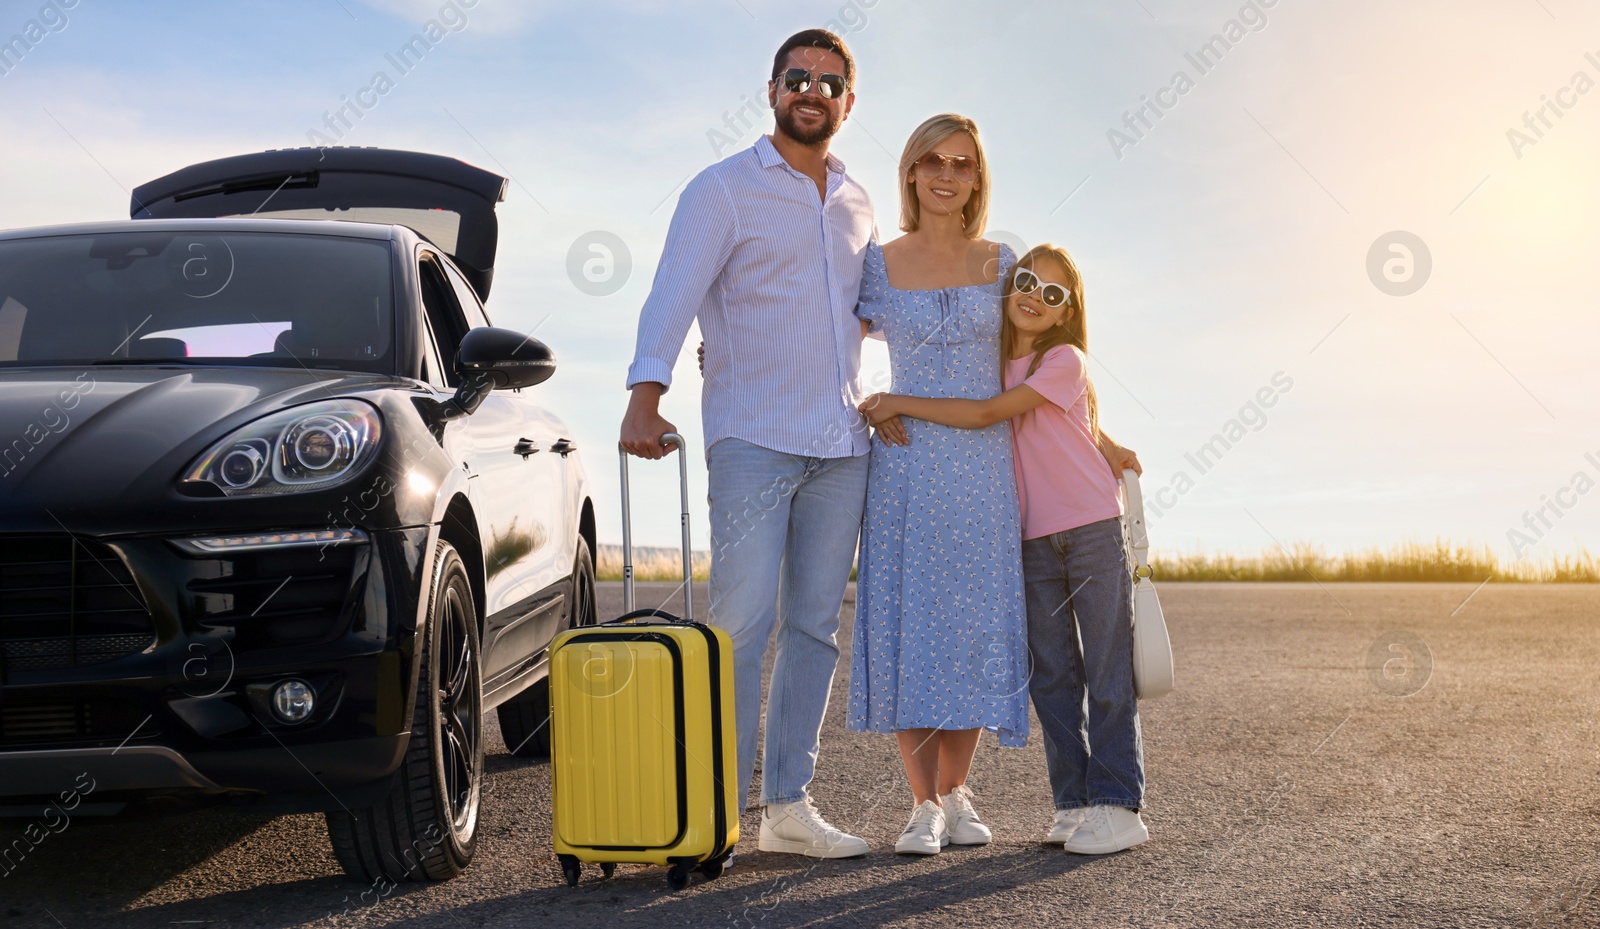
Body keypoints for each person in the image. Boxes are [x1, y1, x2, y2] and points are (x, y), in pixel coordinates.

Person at [620, 28, 882, 860]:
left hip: (842, 443)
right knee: (740, 622)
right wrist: (645, 397)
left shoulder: (858, 200)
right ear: (772, 91)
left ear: (849, 101)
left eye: (830, 82)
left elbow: (870, 310)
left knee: (814, 626)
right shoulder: (723, 189)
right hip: (753, 438)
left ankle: (787, 806)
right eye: (797, 78)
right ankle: (716, 811)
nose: (813, 91)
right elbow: (674, 293)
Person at [860, 243, 1150, 854]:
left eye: (1052, 294)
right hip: (1031, 537)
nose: (1033, 298)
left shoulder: (1065, 358)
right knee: (1052, 677)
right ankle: (1073, 805)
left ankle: (1119, 805)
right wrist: (1111, 441)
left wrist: (898, 400)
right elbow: (1079, 423)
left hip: (1091, 528)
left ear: (1068, 311)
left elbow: (991, 413)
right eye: (1025, 282)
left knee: (1105, 670)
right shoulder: (994, 362)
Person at [845, 113, 1029, 856]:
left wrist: (1101, 437)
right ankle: (921, 803)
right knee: (908, 621)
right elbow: (833, 345)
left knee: (974, 622)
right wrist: (864, 401)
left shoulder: (1003, 260)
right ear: (912, 172)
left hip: (985, 466)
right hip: (907, 465)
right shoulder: (879, 263)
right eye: (932, 162)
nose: (946, 175)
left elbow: (1042, 361)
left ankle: (957, 792)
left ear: (976, 176)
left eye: (961, 163)